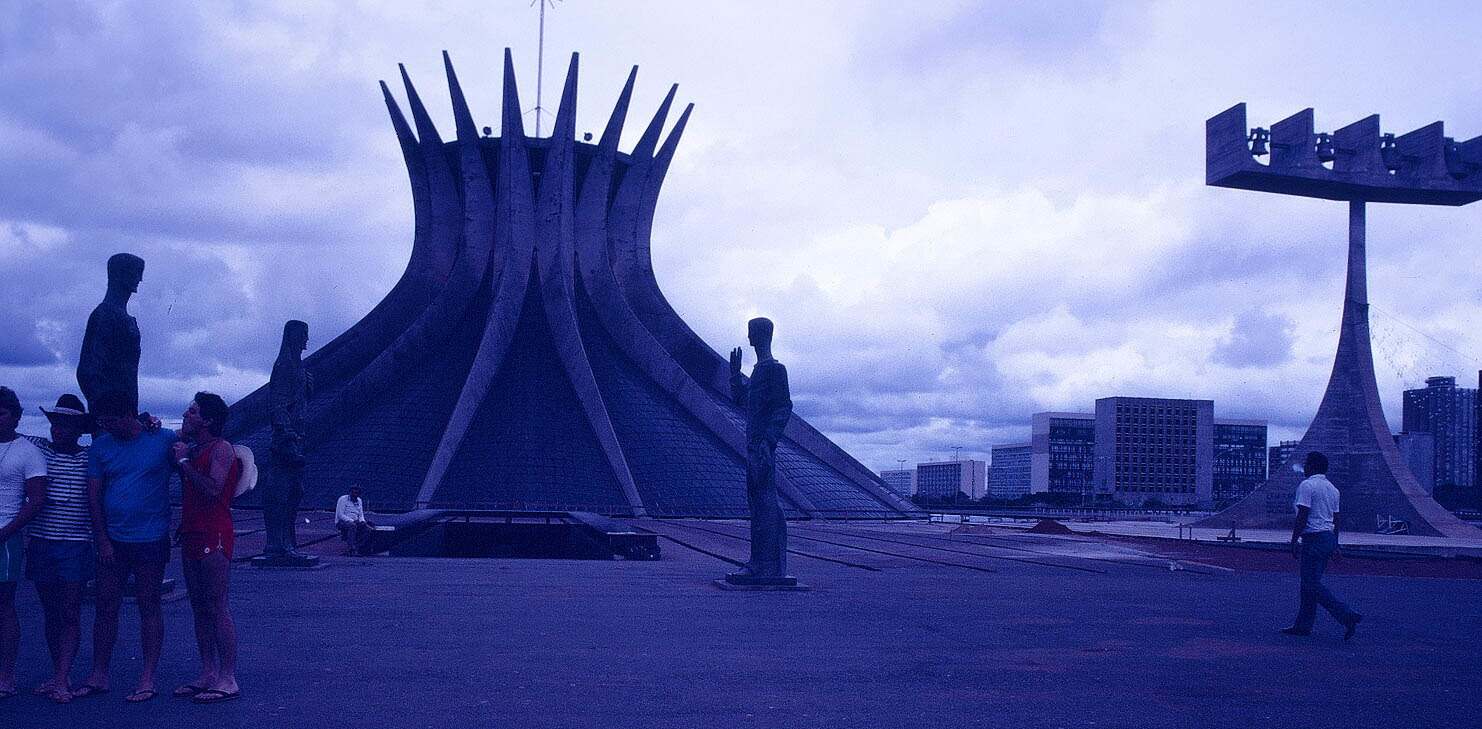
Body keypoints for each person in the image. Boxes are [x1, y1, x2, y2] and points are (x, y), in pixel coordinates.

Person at [74, 389, 177, 703]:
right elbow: (94, 496)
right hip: (113, 541)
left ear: (128, 416)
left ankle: (147, 678)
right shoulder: (100, 446)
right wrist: (101, 539)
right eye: (101, 422)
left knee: (149, 606)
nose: (106, 427)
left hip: (151, 538)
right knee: (106, 607)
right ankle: (99, 674)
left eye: (110, 421)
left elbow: (194, 458)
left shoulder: (163, 439)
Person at [22, 394, 95, 703]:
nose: (59, 430)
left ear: (79, 428)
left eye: (66, 425)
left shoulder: (90, 456)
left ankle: (63, 678)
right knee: (51, 612)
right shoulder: (36, 450)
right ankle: (57, 674)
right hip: (41, 542)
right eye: (55, 424)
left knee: (69, 612)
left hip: (76, 545)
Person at [171, 393, 241, 703]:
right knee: (199, 607)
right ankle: (208, 672)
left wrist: (184, 462)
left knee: (216, 604)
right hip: (192, 533)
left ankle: (228, 678)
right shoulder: (196, 448)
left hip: (215, 534)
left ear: (208, 420)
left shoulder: (220, 449)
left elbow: (212, 489)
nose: (186, 414)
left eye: (193, 411)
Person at [727, 317, 793, 579]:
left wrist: (769, 440)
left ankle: (765, 564)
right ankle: (760, 562)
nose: (748, 337)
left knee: (765, 504)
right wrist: (734, 374)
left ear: (761, 335)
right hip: (753, 447)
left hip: (762, 448)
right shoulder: (757, 371)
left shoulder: (775, 370)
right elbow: (740, 399)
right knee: (757, 504)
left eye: (751, 332)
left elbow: (783, 407)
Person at [1283, 451, 1364, 639]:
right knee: (1309, 584)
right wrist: (1336, 544)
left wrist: (1294, 540)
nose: (1304, 467)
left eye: (1306, 464)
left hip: (1314, 538)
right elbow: (1336, 519)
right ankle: (1303, 625)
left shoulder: (1307, 485)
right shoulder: (1333, 489)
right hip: (1328, 537)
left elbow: (1303, 514)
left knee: (1311, 583)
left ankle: (1347, 615)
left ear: (1312, 466)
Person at [0, 386, 48, 701]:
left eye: (1, 412)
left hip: (6, 536)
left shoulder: (27, 450)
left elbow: (36, 500)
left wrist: (6, 531)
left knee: (3, 606)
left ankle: (6, 676)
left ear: (16, 416)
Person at [265, 320, 312, 558]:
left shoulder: (299, 367)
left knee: (295, 492)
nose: (306, 340)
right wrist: (286, 433)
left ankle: (287, 543)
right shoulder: (285, 366)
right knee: (284, 491)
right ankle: (278, 544)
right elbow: (277, 405)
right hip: (288, 440)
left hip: (298, 437)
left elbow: (298, 402)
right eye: (303, 334)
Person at [78, 253, 145, 418]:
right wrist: (110, 414)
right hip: (112, 419)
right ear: (120, 273)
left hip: (126, 416)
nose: (140, 278)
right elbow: (88, 371)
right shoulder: (104, 315)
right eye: (135, 272)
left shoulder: (125, 318)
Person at [335, 486, 374, 556]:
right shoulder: (342, 499)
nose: (355, 494)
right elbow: (340, 515)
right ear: (350, 492)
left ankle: (356, 547)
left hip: (355, 522)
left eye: (356, 493)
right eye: (353, 493)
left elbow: (361, 514)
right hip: (342, 521)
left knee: (368, 529)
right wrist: (352, 521)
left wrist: (362, 521)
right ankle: (351, 549)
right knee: (352, 526)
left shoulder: (359, 500)